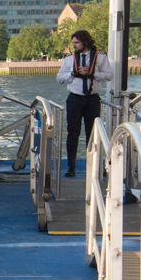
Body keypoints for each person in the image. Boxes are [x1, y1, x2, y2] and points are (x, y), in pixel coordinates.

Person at [56, 29, 113, 177]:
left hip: (92, 99)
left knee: (93, 134)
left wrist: (93, 74)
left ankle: (95, 167)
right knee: (72, 133)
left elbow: (109, 75)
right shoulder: (69, 60)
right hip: (74, 99)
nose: (74, 45)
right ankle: (71, 167)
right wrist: (73, 74)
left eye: (77, 42)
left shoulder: (100, 58)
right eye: (73, 42)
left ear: (85, 42)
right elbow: (59, 78)